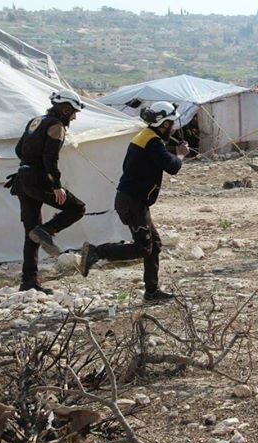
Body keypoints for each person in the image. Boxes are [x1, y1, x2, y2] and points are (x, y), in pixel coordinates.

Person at [78, 101, 189, 302]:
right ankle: (97, 252)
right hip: (133, 203)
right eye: (170, 124)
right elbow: (172, 166)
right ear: (163, 125)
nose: (173, 128)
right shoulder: (153, 142)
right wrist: (180, 154)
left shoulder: (145, 137)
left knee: (154, 245)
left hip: (133, 201)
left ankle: (152, 291)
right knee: (143, 247)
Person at [13, 90, 87, 294]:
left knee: (31, 231)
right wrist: (56, 185)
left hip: (22, 178)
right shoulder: (57, 126)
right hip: (39, 179)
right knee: (77, 208)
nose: (74, 116)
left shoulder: (35, 121)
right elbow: (50, 158)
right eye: (73, 112)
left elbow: (19, 150)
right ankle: (46, 231)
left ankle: (28, 281)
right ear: (64, 109)